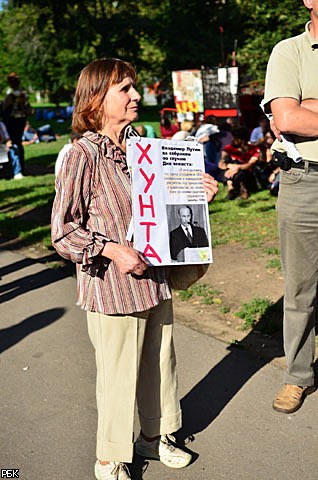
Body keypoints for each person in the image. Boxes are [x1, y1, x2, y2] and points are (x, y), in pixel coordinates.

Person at [51, 57, 218, 480]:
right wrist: (111, 250)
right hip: (113, 285)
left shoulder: (143, 145)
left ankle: (154, 437)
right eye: (125, 88)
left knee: (160, 364)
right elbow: (63, 231)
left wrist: (195, 197)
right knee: (119, 373)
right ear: (96, 98)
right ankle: (109, 457)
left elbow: (159, 212)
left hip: (154, 278)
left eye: (133, 86)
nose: (136, 95)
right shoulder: (80, 155)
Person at [263, 0, 318, 414]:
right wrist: (298, 112)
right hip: (305, 180)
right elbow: (288, 119)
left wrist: (309, 106)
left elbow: (302, 114)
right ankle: (297, 376)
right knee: (300, 289)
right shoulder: (289, 51)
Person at [2, 72, 32, 174]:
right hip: (22, 120)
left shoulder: (11, 95)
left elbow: (4, 107)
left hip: (12, 121)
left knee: (13, 144)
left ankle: (16, 168)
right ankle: (21, 166)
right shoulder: (24, 93)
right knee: (19, 143)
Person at [219, 126, 259, 200]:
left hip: (248, 175)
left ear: (242, 140)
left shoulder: (254, 149)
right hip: (230, 173)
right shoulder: (228, 148)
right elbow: (221, 163)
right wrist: (230, 166)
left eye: (235, 138)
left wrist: (237, 168)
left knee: (240, 172)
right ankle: (231, 189)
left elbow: (250, 164)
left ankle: (242, 190)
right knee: (232, 165)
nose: (232, 139)